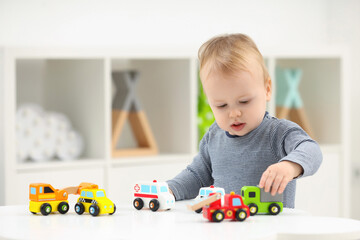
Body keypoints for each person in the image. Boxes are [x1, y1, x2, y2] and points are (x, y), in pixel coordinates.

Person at [166, 33, 322, 208]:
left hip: (270, 228)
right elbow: (196, 176)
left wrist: (289, 166)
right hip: (225, 227)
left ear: (267, 89)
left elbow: (312, 150)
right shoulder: (214, 136)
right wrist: (169, 190)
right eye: (221, 105)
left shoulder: (278, 133)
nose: (234, 113)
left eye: (244, 102)